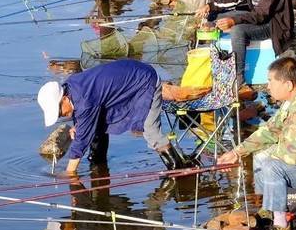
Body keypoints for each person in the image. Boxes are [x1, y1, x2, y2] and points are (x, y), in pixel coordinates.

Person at [215, 56, 296, 230]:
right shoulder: (291, 102)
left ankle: (280, 225)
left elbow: (290, 155)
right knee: (262, 155)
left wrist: (266, 158)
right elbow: (270, 131)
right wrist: (237, 153)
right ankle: (268, 209)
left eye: (271, 81)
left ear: (288, 84)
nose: (268, 86)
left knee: (272, 165)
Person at [36, 59, 192, 175]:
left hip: (145, 81)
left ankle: (179, 172)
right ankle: (99, 166)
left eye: (60, 112)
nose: (62, 116)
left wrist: (70, 173)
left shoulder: (83, 99)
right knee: (96, 128)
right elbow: (85, 115)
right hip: (128, 80)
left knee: (150, 131)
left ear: (63, 98)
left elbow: (81, 140)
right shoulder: (71, 86)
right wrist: (78, 125)